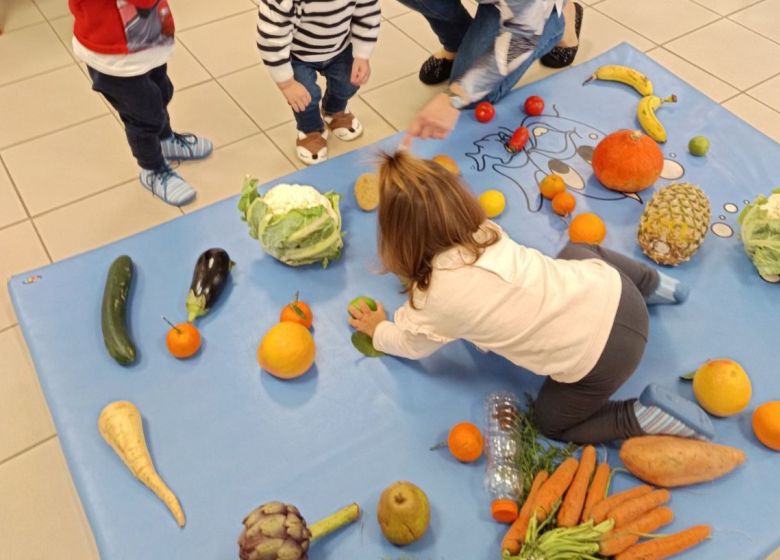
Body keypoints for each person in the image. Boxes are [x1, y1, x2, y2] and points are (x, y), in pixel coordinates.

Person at [348, 151, 714, 444]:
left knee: (550, 424)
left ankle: (637, 416)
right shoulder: (486, 231)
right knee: (577, 251)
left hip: (604, 362)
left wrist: (380, 329)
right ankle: (653, 283)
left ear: (397, 239)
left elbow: (412, 345)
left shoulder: (432, 301)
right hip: (620, 292)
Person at [69, 0, 213, 206]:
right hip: (114, 51)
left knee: (160, 92)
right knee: (142, 116)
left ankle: (165, 140)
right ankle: (152, 168)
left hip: (146, 37)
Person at [398, 0, 583, 146]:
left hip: (528, 17)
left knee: (475, 97)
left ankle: (558, 17)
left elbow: (520, 40)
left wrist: (455, 96)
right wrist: (366, 52)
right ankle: (456, 43)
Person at [256, 0, 380, 166]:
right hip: (297, 55)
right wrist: (286, 83)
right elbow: (270, 38)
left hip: (340, 47)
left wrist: (362, 53)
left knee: (348, 83)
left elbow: (368, 13)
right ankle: (310, 130)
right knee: (305, 98)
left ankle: (334, 110)